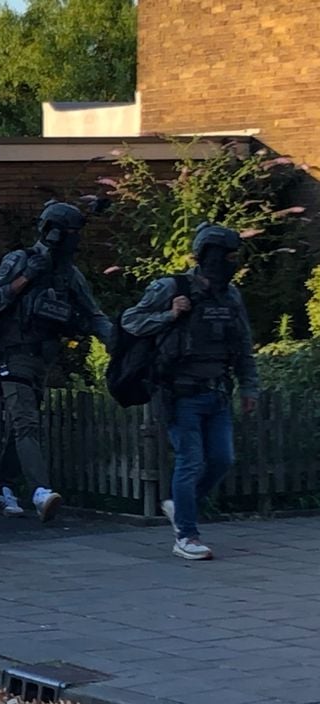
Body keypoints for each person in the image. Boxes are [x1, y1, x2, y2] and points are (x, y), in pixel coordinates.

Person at [121, 223, 258, 560]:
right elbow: (130, 320)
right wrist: (170, 314)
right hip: (180, 394)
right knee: (191, 460)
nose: (232, 263)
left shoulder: (231, 296)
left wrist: (249, 387)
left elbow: (243, 344)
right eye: (227, 256)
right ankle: (186, 535)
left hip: (218, 393)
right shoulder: (171, 287)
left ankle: (182, 505)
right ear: (210, 256)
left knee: (222, 459)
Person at [0, 202, 113, 521]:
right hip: (13, 354)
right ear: (53, 232)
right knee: (26, 423)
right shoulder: (20, 260)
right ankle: (41, 492)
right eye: (70, 234)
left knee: (23, 424)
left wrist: (118, 342)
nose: (74, 240)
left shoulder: (69, 274)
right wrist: (26, 277)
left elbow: (94, 313)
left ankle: (2, 488)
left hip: (42, 359)